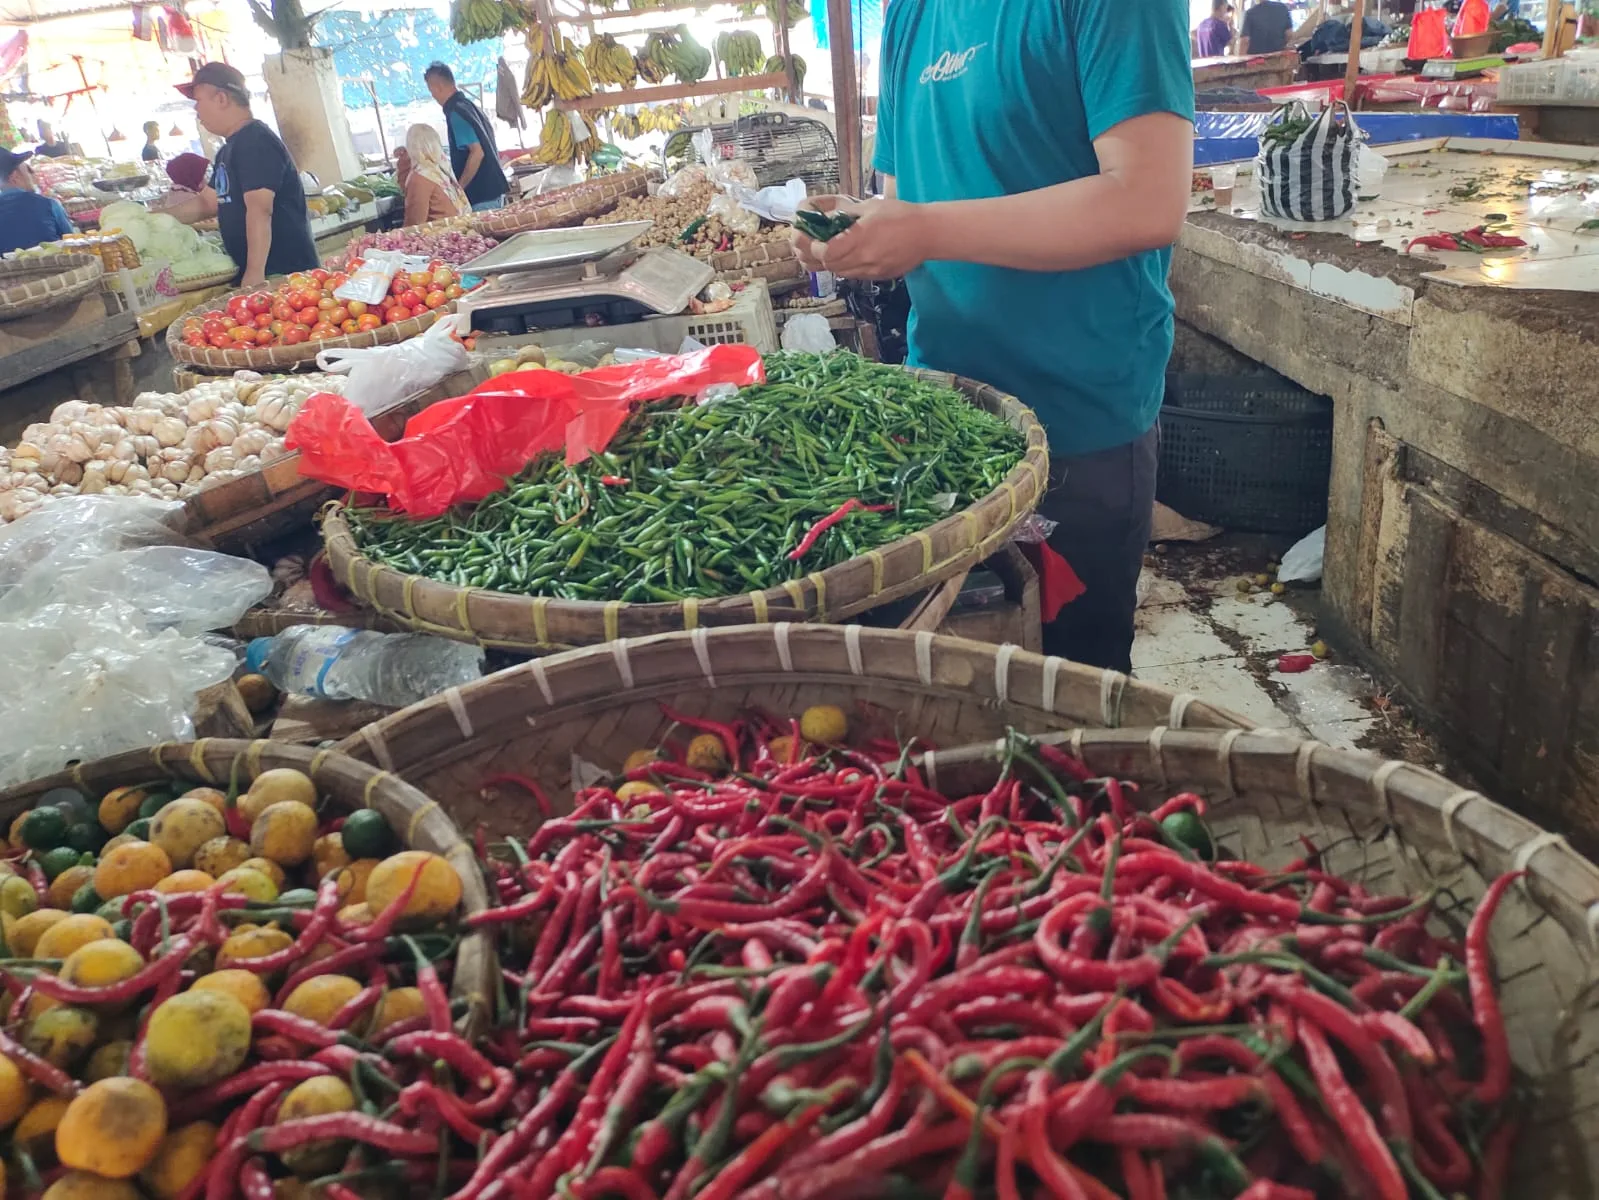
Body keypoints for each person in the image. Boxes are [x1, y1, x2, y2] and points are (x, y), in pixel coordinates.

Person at [794, 0, 1193, 674]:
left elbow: (1147, 200)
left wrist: (923, 230)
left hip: (1077, 421)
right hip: (947, 419)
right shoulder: (910, 13)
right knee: (954, 686)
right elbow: (905, 199)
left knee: (1073, 692)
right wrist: (856, 229)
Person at [170, 62, 317, 286]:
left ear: (221, 99)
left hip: (282, 276)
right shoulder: (227, 151)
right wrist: (150, 218)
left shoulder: (255, 142)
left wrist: (255, 273)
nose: (196, 110)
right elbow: (207, 204)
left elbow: (260, 209)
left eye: (198, 101)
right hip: (266, 276)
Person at [423, 62, 508, 212]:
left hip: (482, 197)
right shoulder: (468, 105)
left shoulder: (456, 113)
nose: (433, 95)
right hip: (493, 192)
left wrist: (459, 190)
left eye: (431, 90)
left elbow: (477, 153)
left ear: (437, 87)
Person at [0, 148, 75, 254]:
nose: (33, 178)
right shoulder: (48, 204)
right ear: (14, 177)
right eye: (28, 171)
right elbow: (71, 242)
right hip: (56, 267)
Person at [395, 124, 469, 226]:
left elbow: (415, 223)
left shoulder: (420, 177)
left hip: (441, 233)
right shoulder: (442, 166)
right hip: (459, 226)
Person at [148, 152, 210, 216]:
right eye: (203, 174)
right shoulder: (188, 198)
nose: (206, 178)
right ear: (193, 175)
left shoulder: (176, 192)